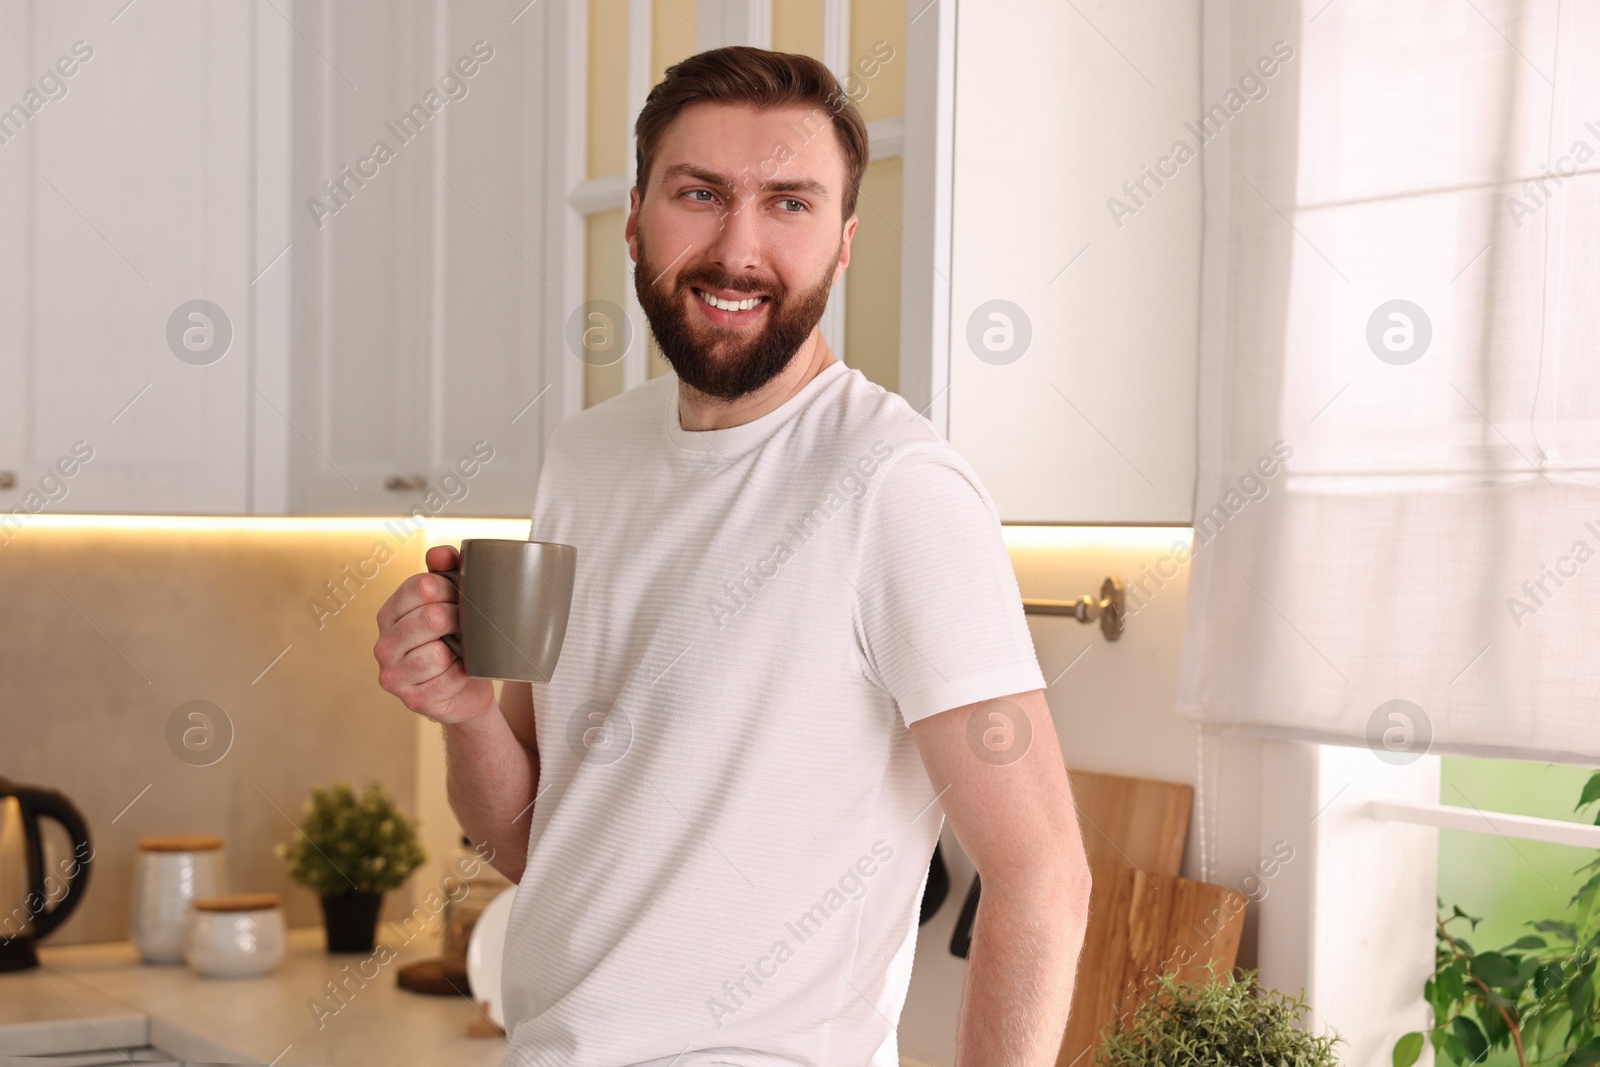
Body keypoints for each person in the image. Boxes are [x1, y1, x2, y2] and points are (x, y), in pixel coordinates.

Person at [374, 45, 1091, 1067]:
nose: (737, 246)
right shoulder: (588, 456)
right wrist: (466, 712)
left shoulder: (897, 485)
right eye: (699, 193)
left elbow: (1041, 874)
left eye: (788, 202)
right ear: (635, 217)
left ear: (844, 243)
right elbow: (532, 838)